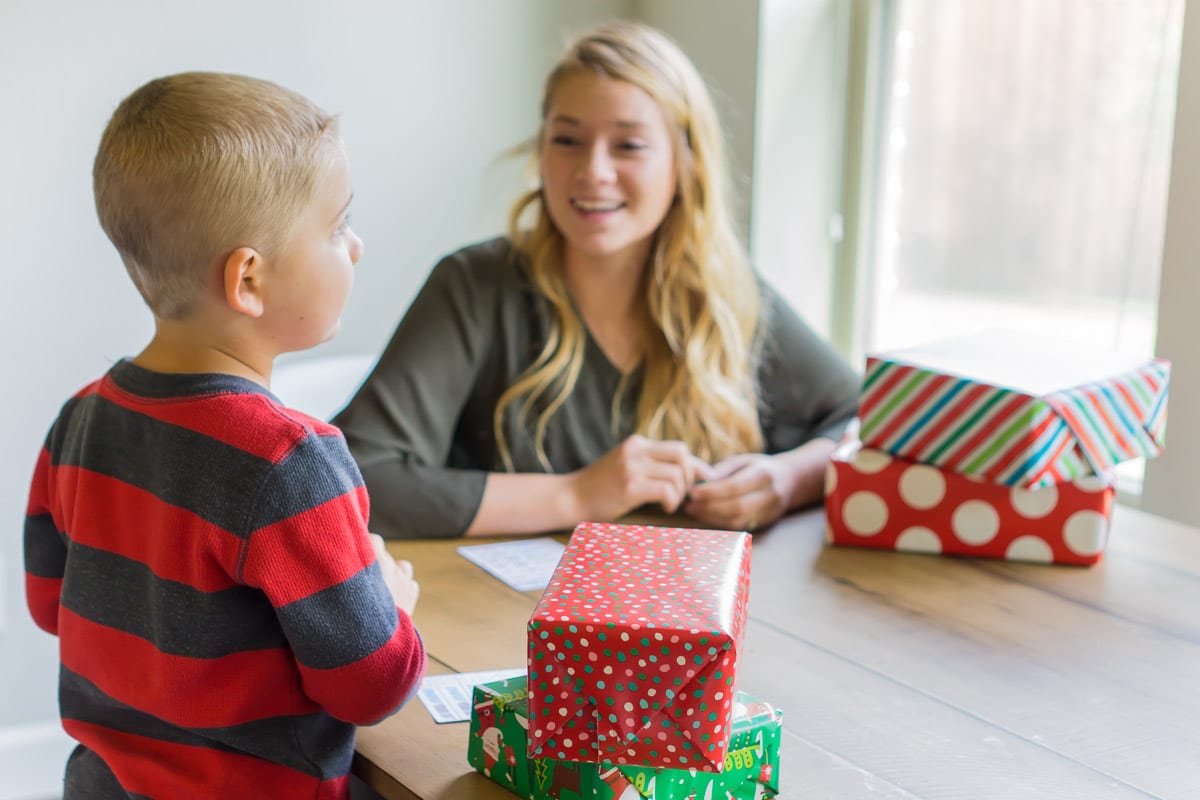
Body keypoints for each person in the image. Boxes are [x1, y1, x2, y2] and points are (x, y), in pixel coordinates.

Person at [22, 72, 425, 799]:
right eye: (337, 226)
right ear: (248, 280)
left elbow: (50, 606)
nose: (356, 246)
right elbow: (371, 687)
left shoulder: (79, 419)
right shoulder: (290, 463)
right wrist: (389, 599)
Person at [334, 21, 860, 540]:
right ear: (541, 151)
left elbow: (871, 420)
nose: (593, 170)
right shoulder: (472, 286)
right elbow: (355, 481)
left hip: (689, 612)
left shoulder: (729, 293)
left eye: (629, 146)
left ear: (686, 165)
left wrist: (789, 479)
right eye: (567, 139)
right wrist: (578, 494)